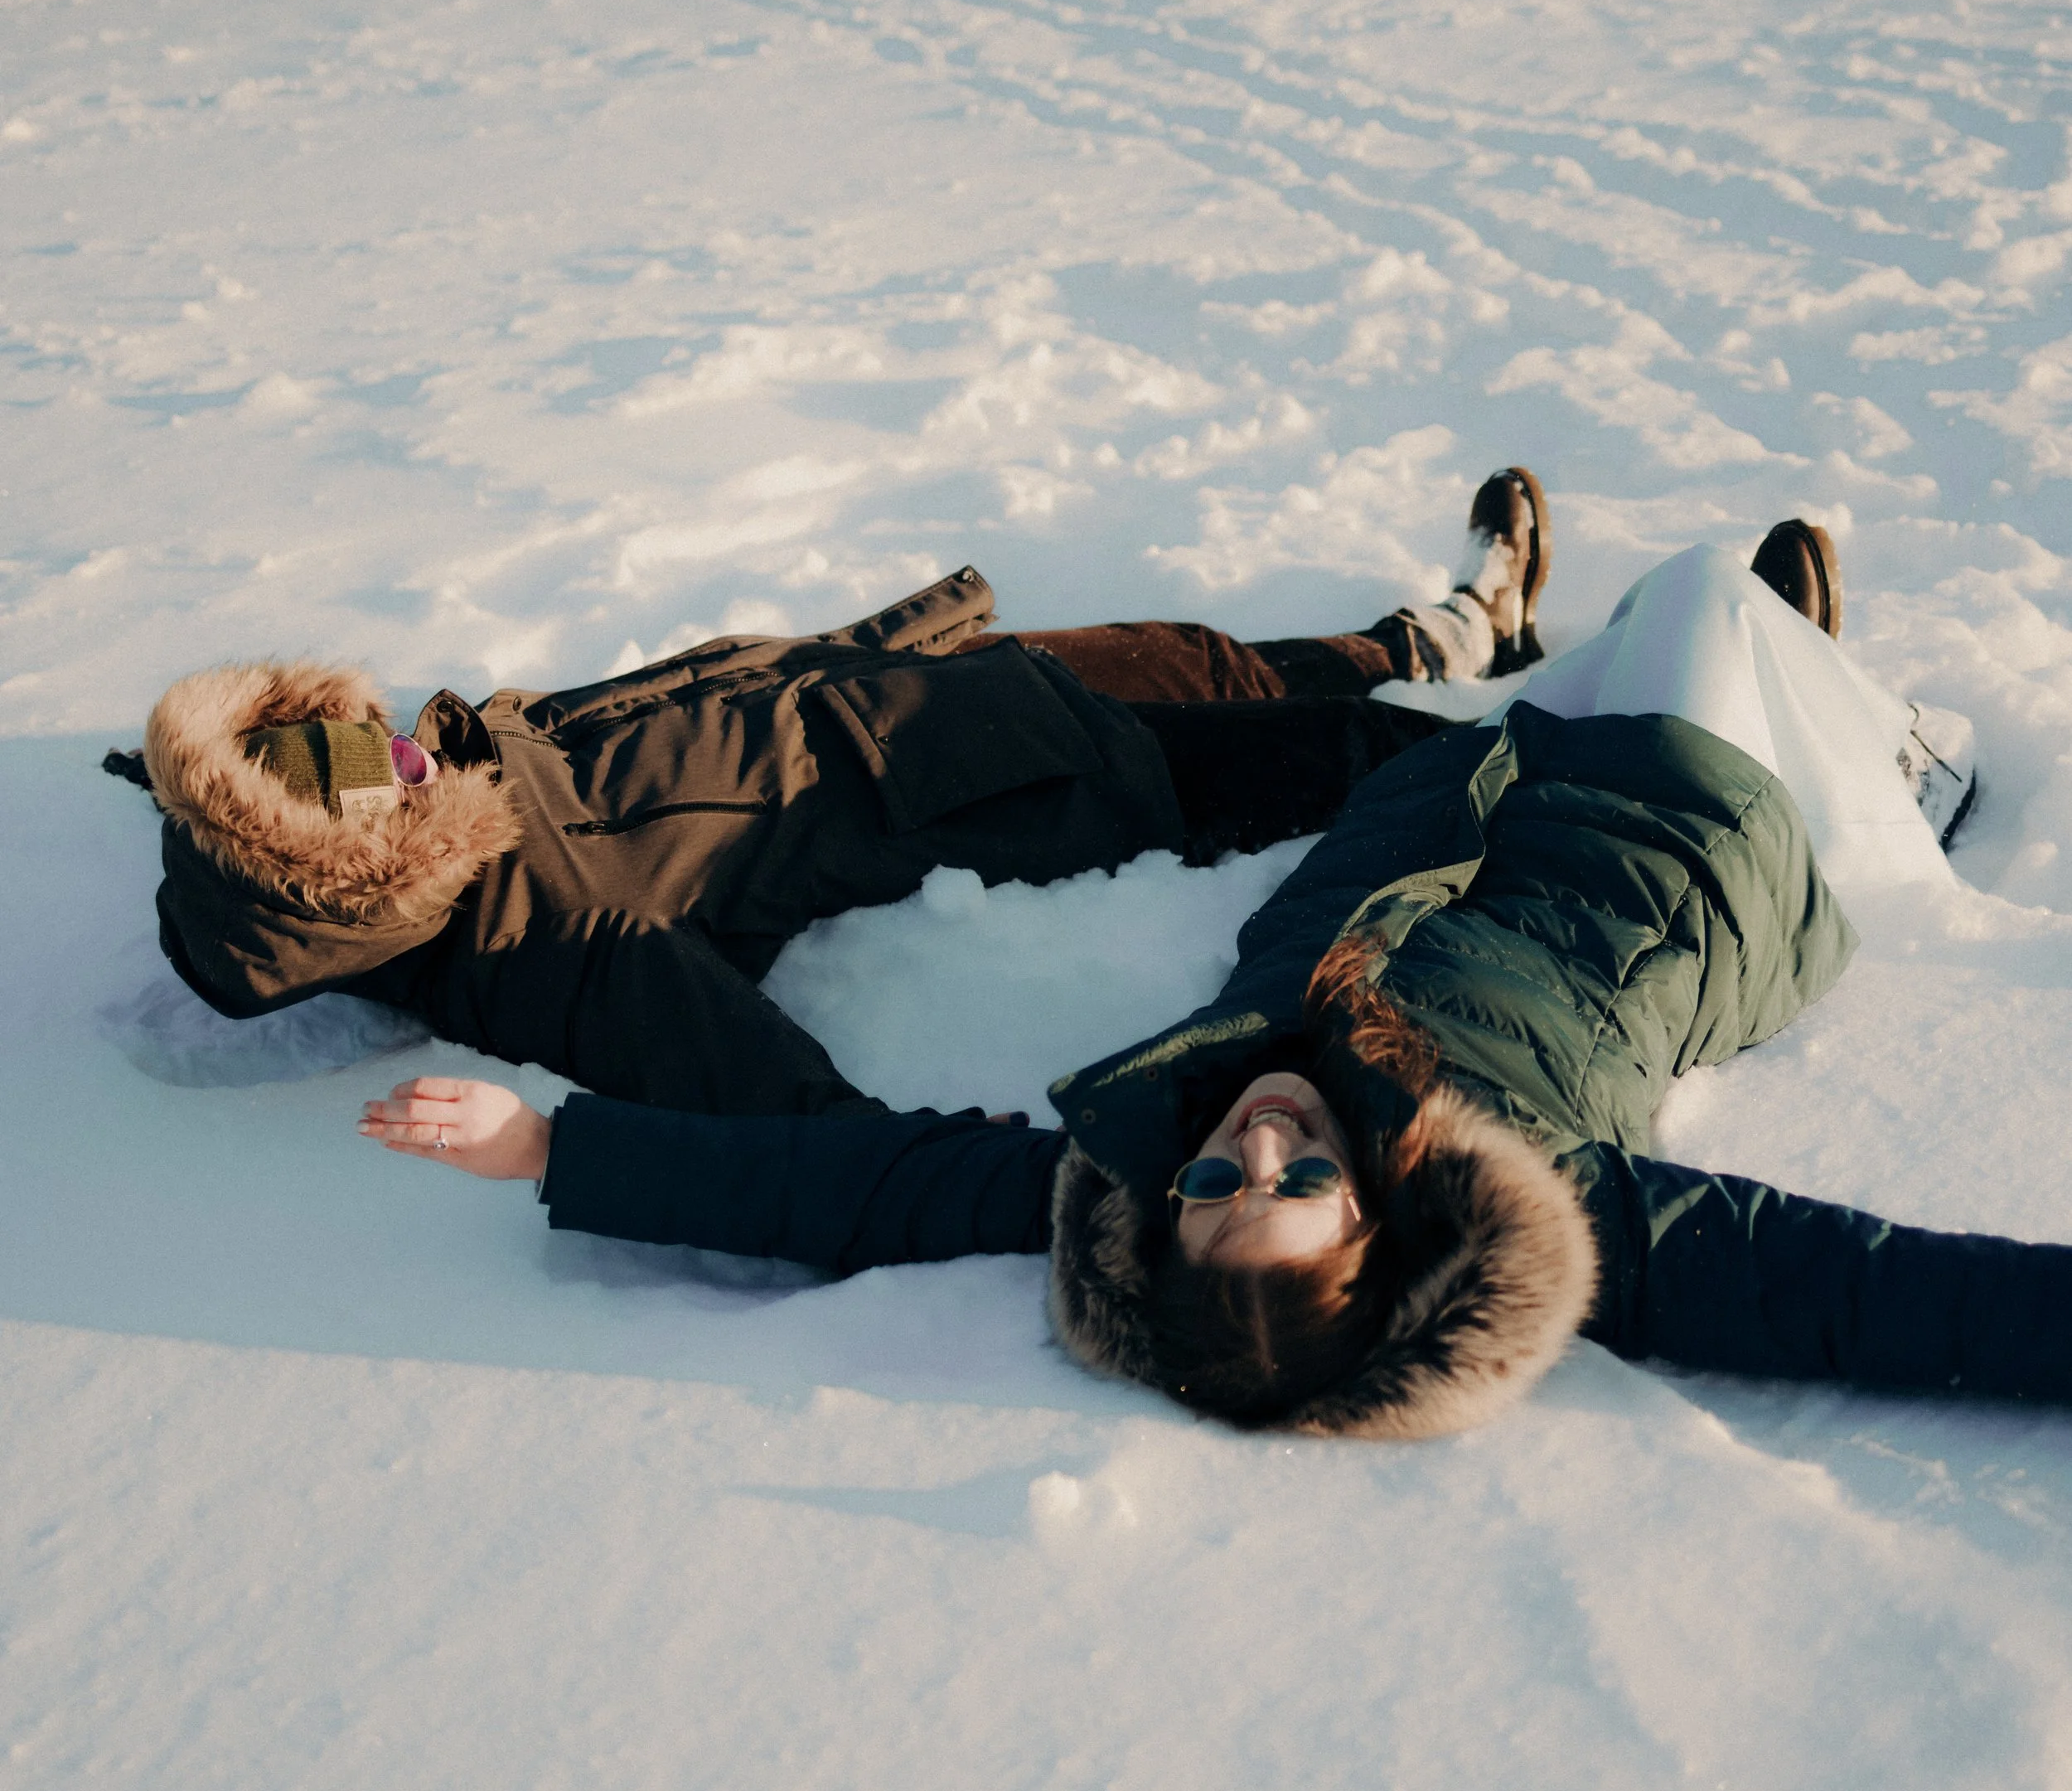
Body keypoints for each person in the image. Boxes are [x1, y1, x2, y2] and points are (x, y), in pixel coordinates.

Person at [360, 514, 2070, 1440]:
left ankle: (1779, 660)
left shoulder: (1123, 1162)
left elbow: (862, 1188)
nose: (1254, 1141)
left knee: (1627, 634)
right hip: (1688, 840)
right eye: (1298, 1184)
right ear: (1383, 1215)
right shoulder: (1542, 1196)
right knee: (1700, 593)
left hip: (1451, 799)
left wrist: (556, 1149)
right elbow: (1862, 1291)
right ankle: (1882, 755)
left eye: (1213, 1186)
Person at [111, 470, 1552, 1115]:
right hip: (1047, 781)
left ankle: (1448, 635)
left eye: (364, 737)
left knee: (1205, 655)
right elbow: (779, 1111)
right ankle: (1615, 705)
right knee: (1365, 755)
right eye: (384, 780)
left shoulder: (439, 791)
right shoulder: (552, 946)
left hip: (942, 686)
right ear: (362, 880)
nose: (407, 746)